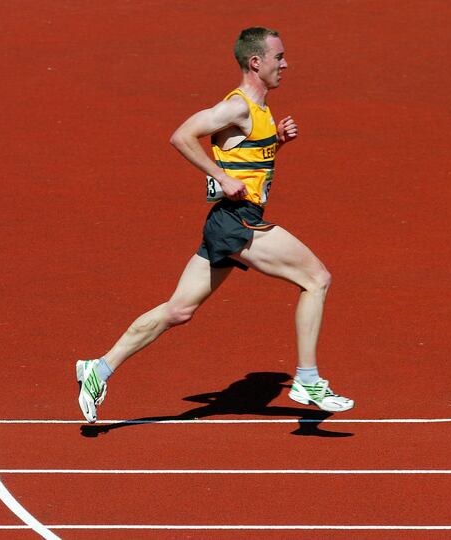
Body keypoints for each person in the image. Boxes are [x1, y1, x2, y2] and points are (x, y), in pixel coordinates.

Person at [76, 26, 353, 423]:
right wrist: (220, 177)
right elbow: (181, 136)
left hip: (228, 222)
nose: (285, 64)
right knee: (317, 279)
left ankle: (98, 369)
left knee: (179, 310)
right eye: (279, 58)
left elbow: (244, 153)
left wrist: (276, 140)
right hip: (237, 221)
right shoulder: (237, 106)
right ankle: (307, 379)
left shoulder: (259, 111)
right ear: (255, 62)